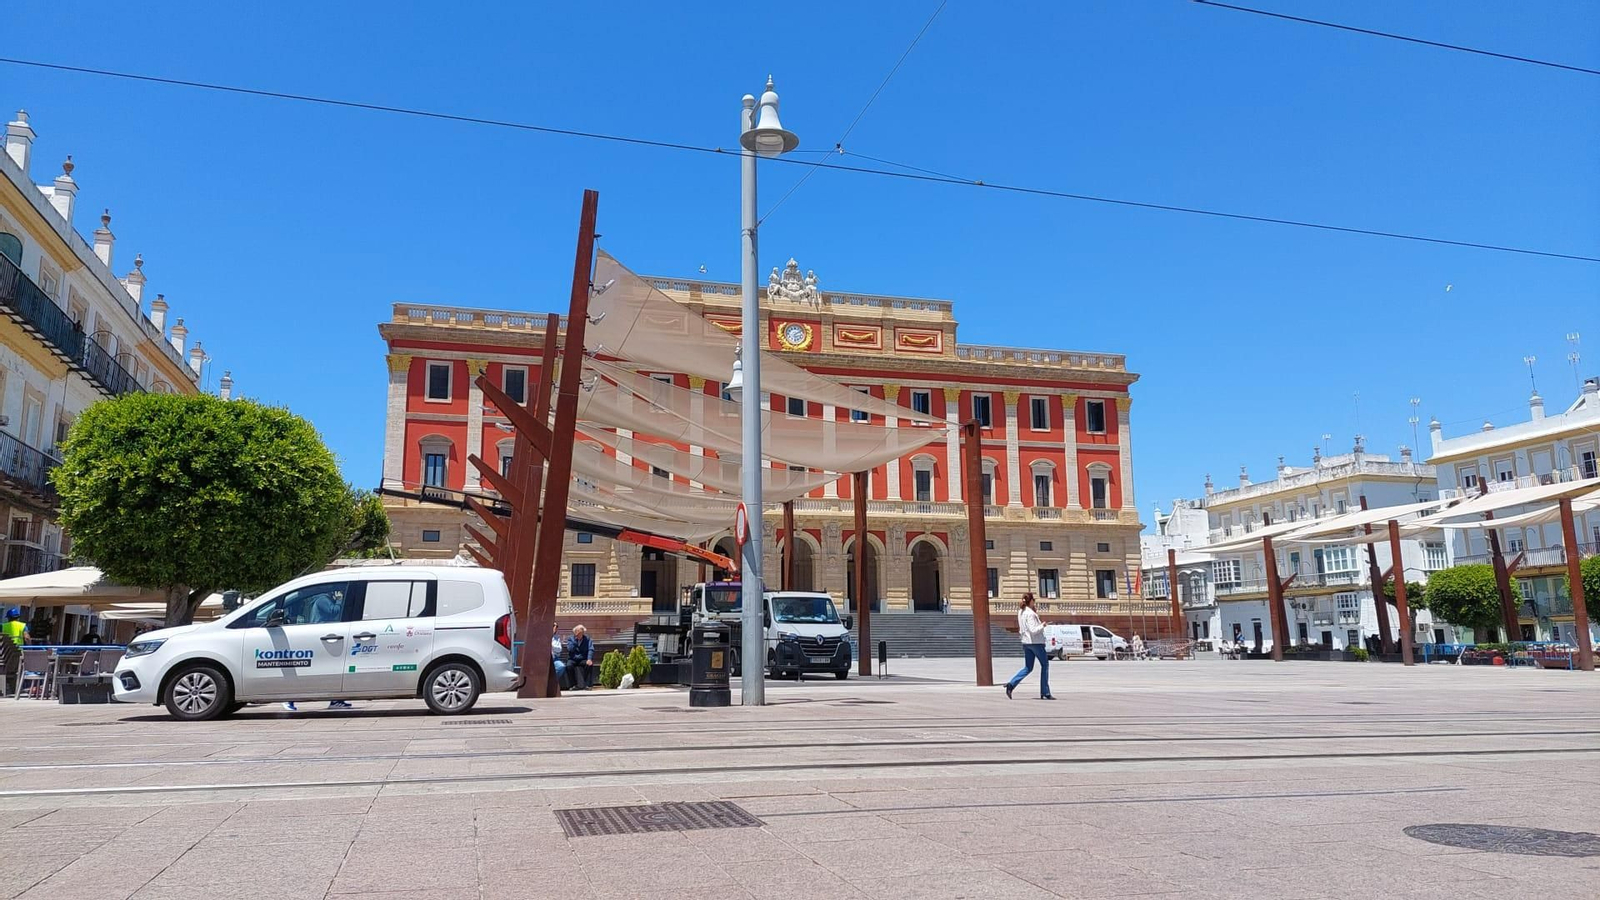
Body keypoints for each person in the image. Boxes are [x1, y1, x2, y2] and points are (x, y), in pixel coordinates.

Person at [1004, 594, 1053, 700]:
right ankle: (1045, 691)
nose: (1034, 602)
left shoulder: (1021, 612)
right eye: (1033, 600)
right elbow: (1033, 630)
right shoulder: (1030, 614)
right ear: (1030, 601)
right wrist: (1042, 625)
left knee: (1028, 667)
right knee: (1045, 665)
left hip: (1026, 642)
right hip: (1035, 642)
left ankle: (1011, 684)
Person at [566, 625, 594, 690]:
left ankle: (587, 685)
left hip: (583, 658)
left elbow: (591, 649)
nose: (579, 635)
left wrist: (589, 659)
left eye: (581, 633)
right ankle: (573, 685)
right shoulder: (570, 639)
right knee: (569, 666)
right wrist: (575, 641)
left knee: (589, 664)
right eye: (578, 633)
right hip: (573, 658)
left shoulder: (587, 639)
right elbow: (570, 649)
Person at [551, 622, 569, 689]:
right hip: (543, 659)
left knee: (561, 666)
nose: (555, 628)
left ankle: (552, 681)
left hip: (554, 658)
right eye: (554, 626)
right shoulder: (543, 636)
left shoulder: (557, 638)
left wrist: (551, 645)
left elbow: (559, 649)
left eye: (556, 626)